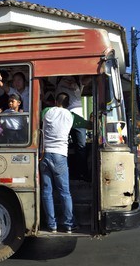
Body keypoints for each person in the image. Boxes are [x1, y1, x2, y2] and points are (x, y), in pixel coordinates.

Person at [40, 92, 90, 233]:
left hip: (44, 154)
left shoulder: (46, 111)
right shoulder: (71, 116)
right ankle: (68, 224)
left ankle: (52, 225)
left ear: (56, 101)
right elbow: (87, 125)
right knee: (64, 192)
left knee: (47, 191)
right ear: (68, 104)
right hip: (60, 155)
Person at [55, 75, 91, 181]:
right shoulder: (57, 78)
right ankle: (61, 175)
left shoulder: (78, 78)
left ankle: (82, 174)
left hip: (78, 117)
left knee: (81, 147)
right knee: (61, 146)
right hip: (62, 115)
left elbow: (88, 79)